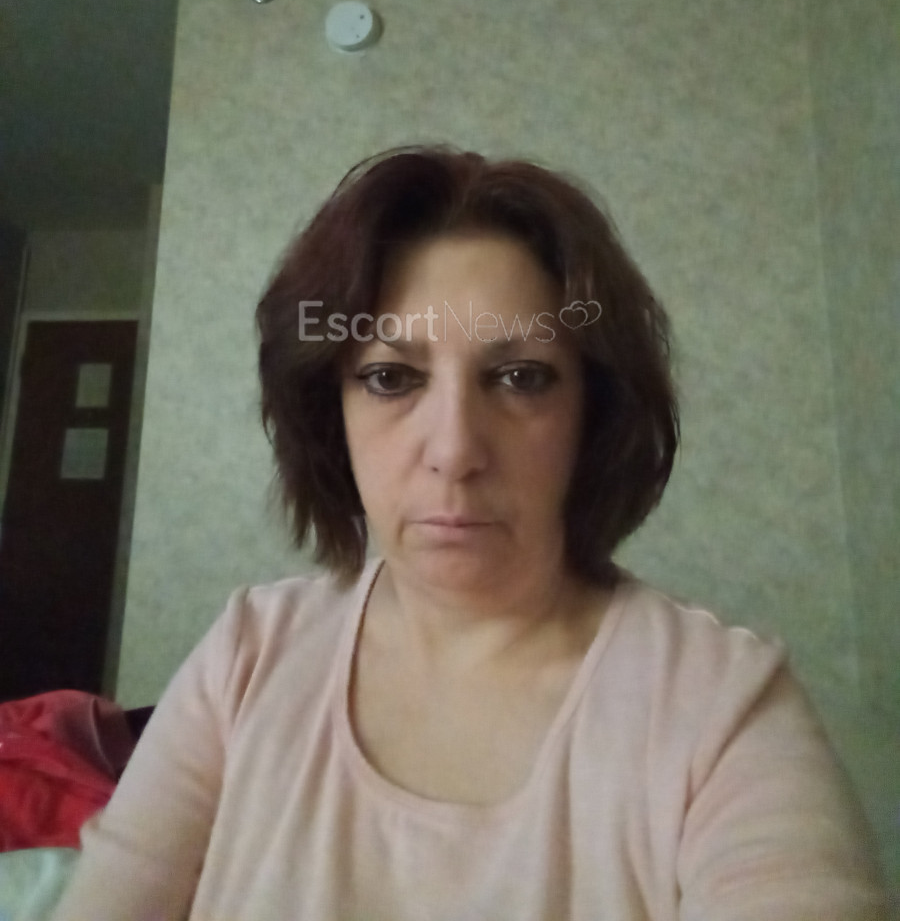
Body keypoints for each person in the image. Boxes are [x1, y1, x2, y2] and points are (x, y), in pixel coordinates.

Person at [53, 146, 888, 920]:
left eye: (521, 377)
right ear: (330, 414)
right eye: (390, 377)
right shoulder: (246, 657)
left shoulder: (721, 706)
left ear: (592, 413)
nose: (454, 450)